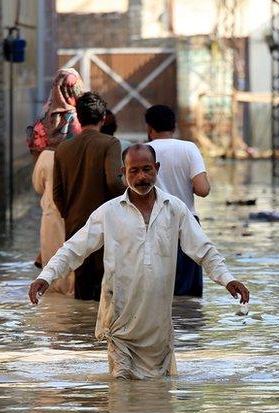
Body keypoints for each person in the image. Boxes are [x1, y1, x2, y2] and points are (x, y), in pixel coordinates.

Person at [29, 144, 250, 380]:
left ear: (157, 168)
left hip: (158, 327)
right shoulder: (109, 212)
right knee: (121, 386)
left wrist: (228, 279)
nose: (141, 177)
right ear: (124, 173)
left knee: (159, 394)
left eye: (146, 169)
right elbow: (74, 249)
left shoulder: (174, 209)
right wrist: (46, 276)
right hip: (119, 322)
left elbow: (203, 250)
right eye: (134, 171)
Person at [52, 92, 125, 301]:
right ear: (103, 119)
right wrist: (130, 202)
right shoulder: (110, 143)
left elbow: (57, 194)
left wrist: (70, 214)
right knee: (106, 290)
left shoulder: (63, 148)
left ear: (79, 119)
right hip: (105, 225)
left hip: (75, 226)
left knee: (82, 289)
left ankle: (81, 332)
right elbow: (113, 181)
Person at [145, 105, 211, 297]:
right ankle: (187, 324)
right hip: (186, 223)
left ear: (149, 128)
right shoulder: (189, 148)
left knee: (157, 289)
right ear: (174, 126)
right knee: (187, 291)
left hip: (153, 224)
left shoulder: (143, 151)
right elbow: (203, 189)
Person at [28, 69, 85, 292]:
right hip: (81, 200)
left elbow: (38, 179)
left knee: (53, 268)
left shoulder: (42, 124)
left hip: (51, 199)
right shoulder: (84, 121)